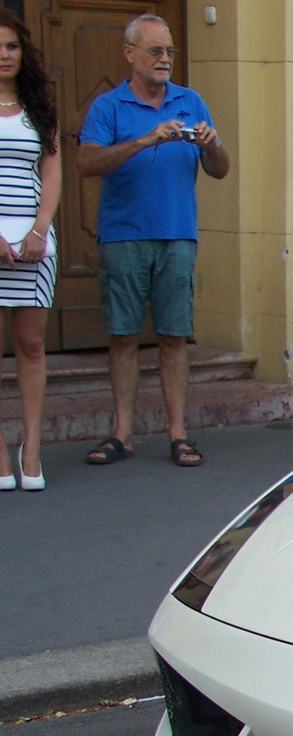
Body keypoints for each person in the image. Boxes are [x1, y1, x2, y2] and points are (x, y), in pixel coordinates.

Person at [77, 12, 229, 468]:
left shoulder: (190, 100)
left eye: (169, 52)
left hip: (178, 233)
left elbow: (219, 170)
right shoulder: (109, 106)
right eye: (155, 51)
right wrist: (144, 140)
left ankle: (178, 433)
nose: (165, 60)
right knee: (123, 336)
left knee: (174, 336)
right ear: (130, 54)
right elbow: (86, 163)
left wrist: (212, 144)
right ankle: (122, 433)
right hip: (123, 235)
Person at [0, 12, 59, 493]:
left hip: (33, 242)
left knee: (31, 345)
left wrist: (39, 229)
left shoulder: (39, 109)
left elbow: (53, 175)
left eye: (12, 46)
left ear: (24, 53)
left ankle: (32, 445)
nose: (4, 54)